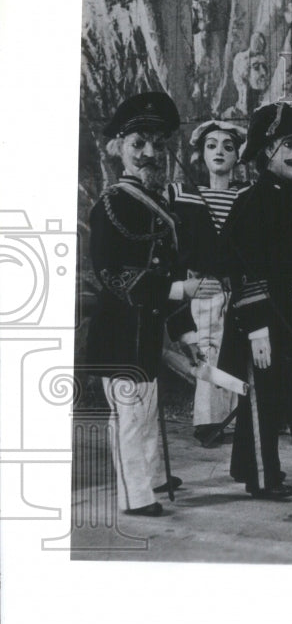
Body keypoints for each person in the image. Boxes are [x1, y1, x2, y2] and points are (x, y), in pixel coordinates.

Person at [87, 92, 202, 516]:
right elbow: (111, 275)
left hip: (147, 333)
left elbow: (170, 272)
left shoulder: (160, 207)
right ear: (118, 148)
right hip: (119, 334)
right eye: (138, 143)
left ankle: (151, 478)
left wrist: (186, 333)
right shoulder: (111, 204)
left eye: (156, 143)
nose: (149, 153)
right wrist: (173, 293)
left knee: (147, 412)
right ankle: (136, 497)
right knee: (131, 418)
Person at [218, 101, 292, 498]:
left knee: (273, 394)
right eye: (289, 145)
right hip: (260, 317)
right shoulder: (252, 201)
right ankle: (263, 478)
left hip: (287, 313)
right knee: (261, 399)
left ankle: (248, 466)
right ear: (268, 151)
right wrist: (257, 329)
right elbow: (243, 270)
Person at [167, 120, 247, 445]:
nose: (219, 152)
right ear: (201, 154)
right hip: (199, 290)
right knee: (205, 352)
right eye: (211, 145)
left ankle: (227, 418)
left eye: (227, 147)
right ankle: (207, 421)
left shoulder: (245, 198)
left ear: (237, 157)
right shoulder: (184, 197)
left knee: (228, 352)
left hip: (232, 290)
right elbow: (174, 250)